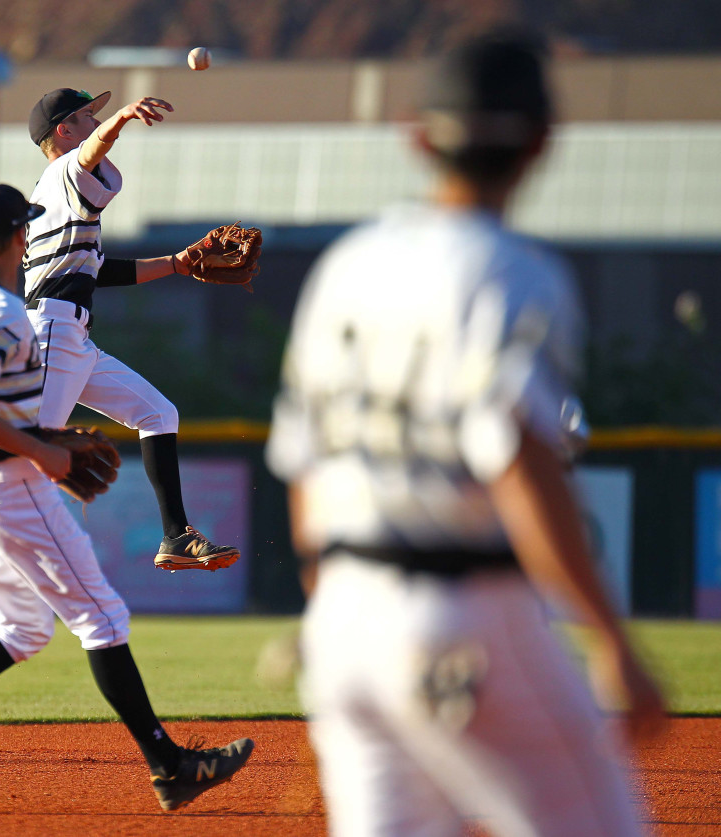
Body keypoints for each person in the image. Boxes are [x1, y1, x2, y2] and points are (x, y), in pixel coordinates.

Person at [265, 31, 665, 837]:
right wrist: (609, 635)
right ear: (545, 142)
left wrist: (333, 606)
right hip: (464, 618)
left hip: (343, 621)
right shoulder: (516, 269)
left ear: (417, 135)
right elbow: (516, 458)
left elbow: (303, 465)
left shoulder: (347, 263)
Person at [0, 184, 253, 814]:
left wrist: (23, 436)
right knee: (103, 621)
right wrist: (39, 449)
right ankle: (170, 766)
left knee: (21, 630)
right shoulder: (8, 315)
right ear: (20, 239)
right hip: (13, 488)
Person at [0, 88, 240, 573]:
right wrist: (125, 118)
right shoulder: (63, 173)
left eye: (99, 115)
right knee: (21, 449)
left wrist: (176, 263)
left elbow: (99, 270)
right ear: (63, 130)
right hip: (51, 335)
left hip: (72, 338)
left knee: (158, 414)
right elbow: (90, 154)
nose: (96, 121)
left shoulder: (57, 201)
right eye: (88, 115)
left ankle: (175, 535)